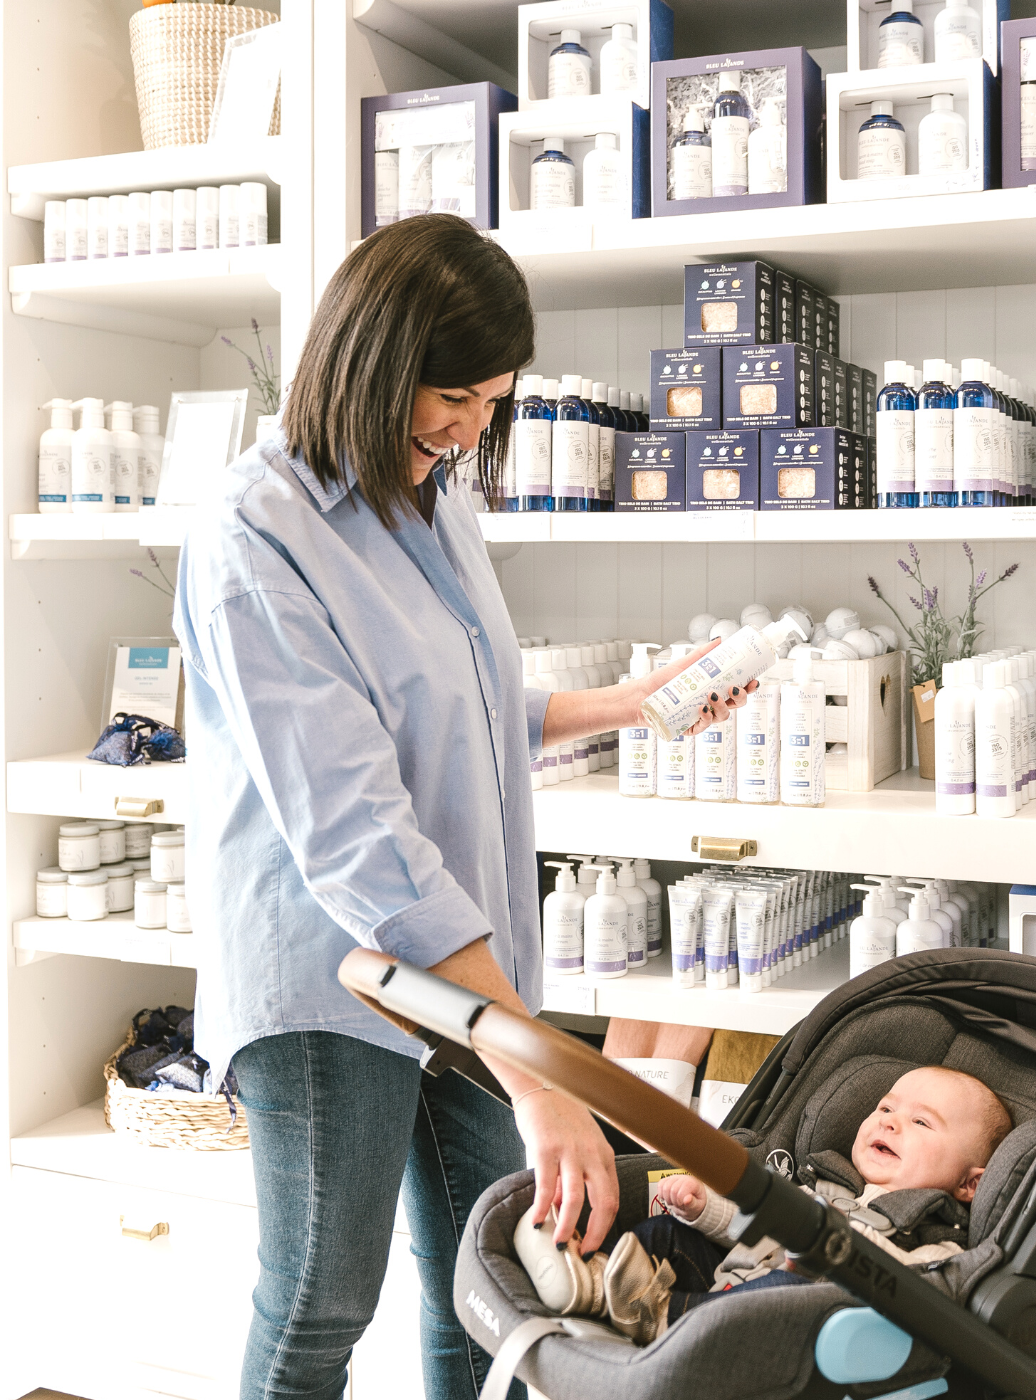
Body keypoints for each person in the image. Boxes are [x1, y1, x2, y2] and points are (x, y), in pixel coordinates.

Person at [174, 213, 754, 1400]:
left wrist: (626, 704)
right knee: (318, 1302)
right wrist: (543, 1079)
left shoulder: (435, 497)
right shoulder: (254, 532)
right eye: (453, 396)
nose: (471, 427)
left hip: (463, 968)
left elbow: (464, 704)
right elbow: (354, 824)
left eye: (493, 399)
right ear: (370, 359)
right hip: (332, 977)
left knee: (493, 1297)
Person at [519, 1066, 1012, 1344]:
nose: (891, 1122)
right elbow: (750, 1227)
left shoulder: (934, 1239)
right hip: (727, 1279)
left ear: (969, 1185)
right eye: (885, 1108)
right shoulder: (824, 1188)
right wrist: (701, 1208)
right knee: (669, 1234)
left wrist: (845, 1251)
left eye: (921, 1123)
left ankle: (657, 1312)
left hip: (791, 1327)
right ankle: (595, 1279)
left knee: (793, 1283)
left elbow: (929, 1295)